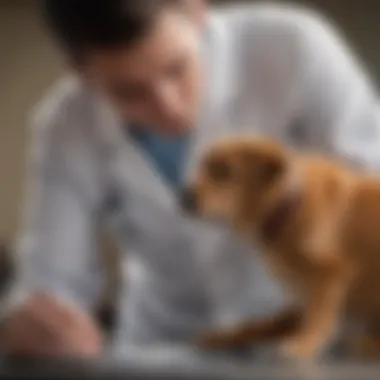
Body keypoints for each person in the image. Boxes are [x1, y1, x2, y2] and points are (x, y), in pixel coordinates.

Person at [2, 0, 380, 357]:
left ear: (197, 10)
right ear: (80, 72)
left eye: (177, 68)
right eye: (130, 92)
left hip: (311, 343)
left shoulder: (295, 49)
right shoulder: (66, 128)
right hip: (162, 348)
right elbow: (50, 283)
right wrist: (39, 321)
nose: (170, 108)